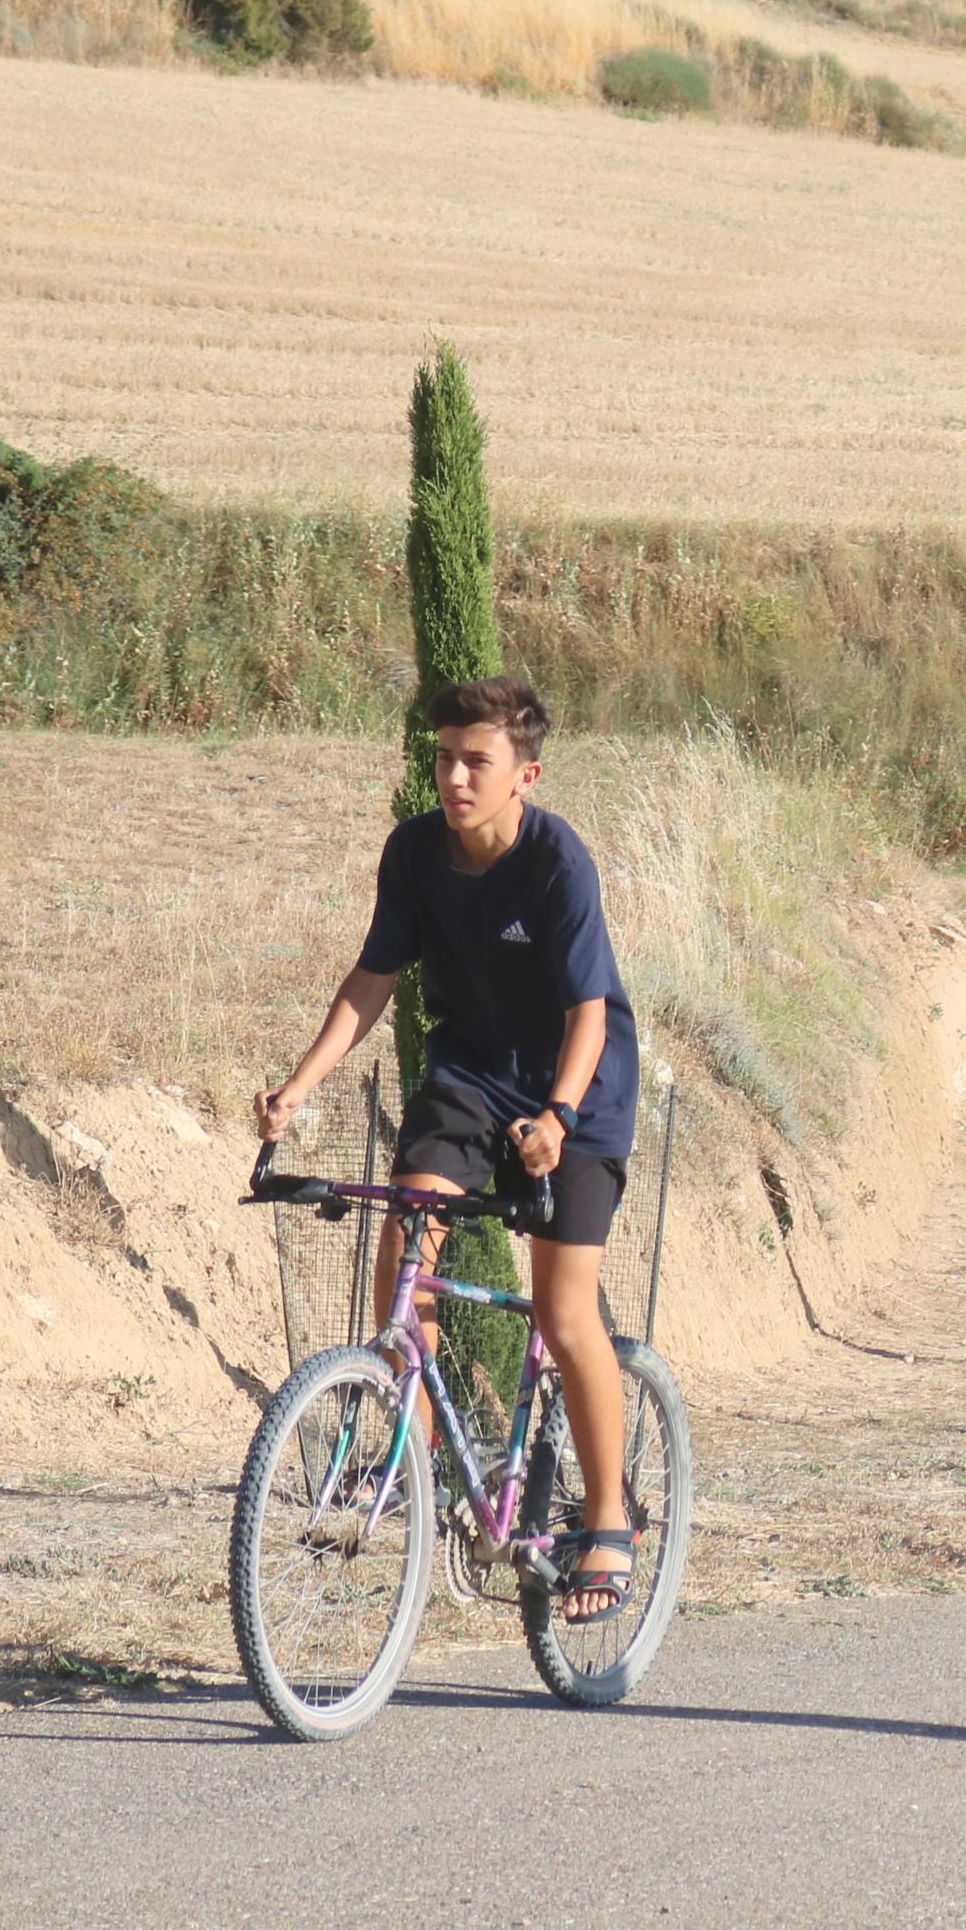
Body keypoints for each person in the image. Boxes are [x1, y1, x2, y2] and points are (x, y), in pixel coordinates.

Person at [255, 676, 646, 1620]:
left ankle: (607, 1522)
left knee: (560, 1310)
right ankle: (410, 1471)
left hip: (576, 1097)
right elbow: (372, 978)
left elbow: (587, 1011)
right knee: (405, 1246)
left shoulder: (557, 860)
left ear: (525, 775)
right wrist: (301, 1085)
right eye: (443, 759)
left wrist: (555, 1116)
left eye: (477, 761)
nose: (455, 776)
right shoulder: (415, 852)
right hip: (469, 1080)